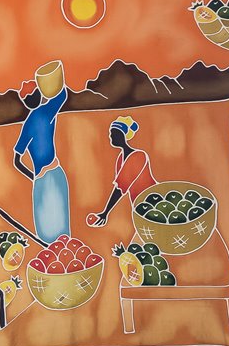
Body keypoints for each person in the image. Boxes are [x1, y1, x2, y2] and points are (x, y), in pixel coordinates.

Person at [11, 70, 72, 243]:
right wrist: (52, 83)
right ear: (39, 95)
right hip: (53, 174)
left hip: (40, 179)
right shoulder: (45, 112)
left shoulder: (30, 121)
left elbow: (17, 159)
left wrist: (34, 176)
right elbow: (63, 95)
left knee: (46, 232)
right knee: (60, 230)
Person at [86, 116, 157, 228]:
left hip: (152, 200)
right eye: (111, 133)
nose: (110, 136)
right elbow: (121, 186)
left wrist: (106, 212)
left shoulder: (138, 156)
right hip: (139, 204)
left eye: (114, 133)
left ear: (123, 136)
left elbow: (120, 188)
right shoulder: (121, 158)